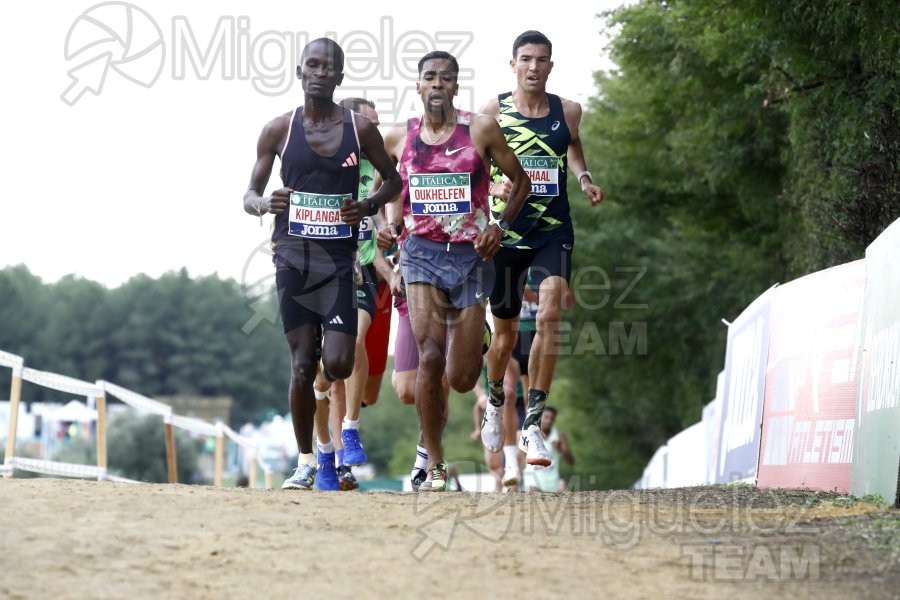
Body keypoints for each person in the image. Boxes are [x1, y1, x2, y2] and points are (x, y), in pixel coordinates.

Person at [243, 38, 401, 491]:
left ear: (338, 76)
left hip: (338, 262)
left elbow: (393, 181)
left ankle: (319, 394)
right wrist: (263, 204)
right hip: (292, 256)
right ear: (299, 72)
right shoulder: (278, 130)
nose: (318, 73)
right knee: (299, 362)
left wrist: (368, 204)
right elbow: (249, 193)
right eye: (311, 65)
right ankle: (307, 460)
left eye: (327, 67)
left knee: (336, 361)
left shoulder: (359, 130)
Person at [377, 50, 531, 492]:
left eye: (447, 78)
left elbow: (520, 182)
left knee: (462, 379)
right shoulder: (398, 139)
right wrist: (387, 225)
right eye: (430, 78)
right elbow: (381, 191)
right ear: (419, 86)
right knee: (428, 357)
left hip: (471, 256)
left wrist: (500, 226)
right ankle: (436, 461)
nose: (438, 84)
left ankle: (477, 343)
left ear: (456, 88)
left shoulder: (479, 130)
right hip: (421, 254)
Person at [479, 30, 604, 468]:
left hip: (554, 230)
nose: (534, 66)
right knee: (505, 336)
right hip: (508, 232)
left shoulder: (568, 110)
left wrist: (585, 178)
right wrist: (494, 183)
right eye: (526, 59)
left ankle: (531, 423)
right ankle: (495, 401)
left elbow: (572, 146)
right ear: (512, 64)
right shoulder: (492, 112)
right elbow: (477, 168)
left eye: (542, 59)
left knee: (550, 315)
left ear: (551, 65)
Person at [309, 97, 394, 491]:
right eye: (365, 122)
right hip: (315, 275)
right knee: (326, 372)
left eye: (377, 124)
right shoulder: (324, 162)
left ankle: (350, 433)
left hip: (358, 272)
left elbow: (376, 222)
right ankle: (327, 456)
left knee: (354, 343)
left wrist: (385, 256)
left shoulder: (376, 171)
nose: (372, 130)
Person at [522, 406, 574, 492]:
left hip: (552, 482)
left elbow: (571, 462)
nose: (549, 421)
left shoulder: (559, 436)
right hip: (533, 482)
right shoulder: (530, 433)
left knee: (562, 485)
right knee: (532, 492)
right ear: (540, 417)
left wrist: (560, 450)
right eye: (546, 417)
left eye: (552, 418)